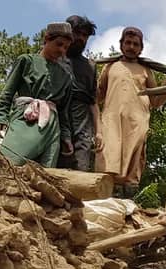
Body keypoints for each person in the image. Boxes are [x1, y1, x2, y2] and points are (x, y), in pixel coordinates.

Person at [96, 27, 166, 196]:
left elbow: (155, 100)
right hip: (111, 121)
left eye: (135, 44)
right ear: (121, 45)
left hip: (137, 123)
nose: (131, 47)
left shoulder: (146, 70)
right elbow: (98, 95)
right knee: (108, 158)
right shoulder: (110, 66)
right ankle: (106, 196)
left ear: (141, 48)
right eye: (128, 43)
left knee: (133, 163)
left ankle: (128, 198)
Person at [0, 23, 74, 167]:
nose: (62, 50)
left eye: (66, 48)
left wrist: (66, 137)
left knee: (44, 176)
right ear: (46, 39)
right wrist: (1, 117)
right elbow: (8, 92)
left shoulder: (66, 76)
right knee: (9, 163)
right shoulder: (26, 61)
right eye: (59, 44)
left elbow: (64, 112)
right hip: (27, 117)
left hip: (52, 128)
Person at [58, 15, 99, 171]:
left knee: (81, 165)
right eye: (78, 33)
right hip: (57, 116)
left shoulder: (90, 66)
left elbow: (93, 102)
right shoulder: (54, 57)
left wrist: (98, 132)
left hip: (82, 122)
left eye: (85, 35)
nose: (81, 38)